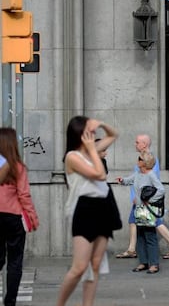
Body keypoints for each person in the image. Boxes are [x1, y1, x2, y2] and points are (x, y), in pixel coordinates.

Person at [56, 116, 118, 306]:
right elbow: (99, 174)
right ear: (79, 135)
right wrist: (93, 150)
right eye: (89, 132)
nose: (93, 135)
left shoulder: (90, 151)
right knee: (79, 267)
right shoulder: (73, 157)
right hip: (83, 209)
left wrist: (101, 123)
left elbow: (114, 134)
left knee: (96, 264)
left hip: (103, 206)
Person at [116, 134, 169, 260]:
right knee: (135, 220)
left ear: (144, 144)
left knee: (154, 221)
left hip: (144, 201)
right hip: (141, 200)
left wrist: (143, 199)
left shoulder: (148, 160)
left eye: (137, 142)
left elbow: (150, 183)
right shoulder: (143, 159)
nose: (135, 144)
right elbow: (136, 177)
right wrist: (123, 181)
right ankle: (132, 249)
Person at [0, 128, 39, 306]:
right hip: (13, 217)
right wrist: (32, 217)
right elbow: (24, 195)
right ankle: (10, 301)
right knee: (15, 261)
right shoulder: (18, 167)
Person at [117, 151, 165, 274]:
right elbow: (129, 180)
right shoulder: (138, 173)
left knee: (150, 236)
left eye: (140, 158)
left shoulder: (151, 175)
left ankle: (154, 264)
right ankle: (143, 262)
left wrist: (149, 201)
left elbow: (161, 190)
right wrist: (122, 180)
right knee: (140, 236)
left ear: (145, 162)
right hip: (138, 209)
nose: (137, 160)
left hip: (148, 210)